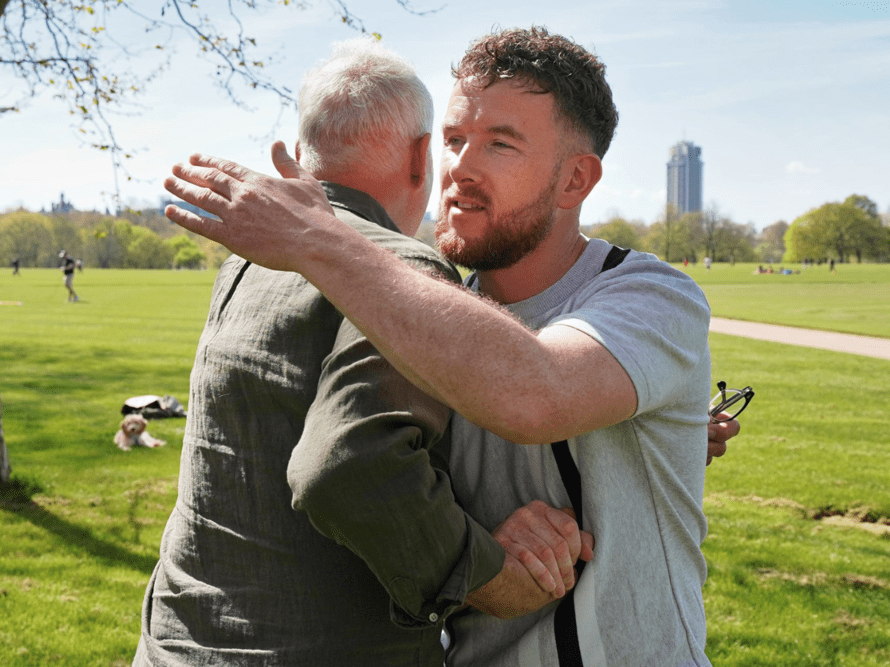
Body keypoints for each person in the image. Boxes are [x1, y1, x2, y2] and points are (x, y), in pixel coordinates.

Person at [163, 27, 741, 666]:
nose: (460, 166)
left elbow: (534, 389)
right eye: (454, 139)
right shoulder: (418, 302)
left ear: (576, 179)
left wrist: (314, 237)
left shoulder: (653, 295)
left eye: (501, 143)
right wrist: (486, 547)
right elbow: (391, 498)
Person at [134, 38, 592, 667]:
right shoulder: (399, 268)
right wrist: (495, 578)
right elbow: (350, 467)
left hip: (174, 642)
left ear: (300, 156)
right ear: (419, 157)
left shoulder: (246, 264)